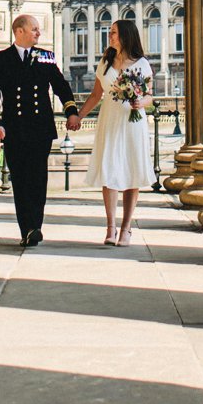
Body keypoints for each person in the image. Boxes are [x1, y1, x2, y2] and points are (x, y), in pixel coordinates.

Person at [0, 13, 79, 246]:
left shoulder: (45, 57)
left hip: (40, 128)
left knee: (38, 179)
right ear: (19, 31)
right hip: (14, 129)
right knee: (20, 180)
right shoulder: (0, 59)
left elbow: (61, 86)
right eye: (34, 29)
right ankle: (26, 227)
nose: (38, 33)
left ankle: (35, 226)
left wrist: (71, 111)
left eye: (38, 29)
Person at [71, 18, 153, 246]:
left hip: (132, 120)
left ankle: (126, 228)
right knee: (110, 168)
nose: (110, 35)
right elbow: (96, 95)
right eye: (110, 32)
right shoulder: (105, 61)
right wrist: (79, 116)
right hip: (110, 118)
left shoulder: (141, 63)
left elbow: (149, 95)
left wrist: (140, 103)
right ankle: (110, 227)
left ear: (126, 35)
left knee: (131, 170)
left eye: (114, 32)